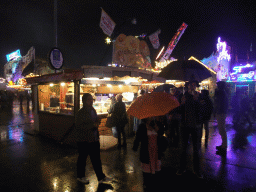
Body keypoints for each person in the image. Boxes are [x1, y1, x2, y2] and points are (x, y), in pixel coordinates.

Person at [75, 93, 112, 184]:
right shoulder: (81, 112)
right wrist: (93, 125)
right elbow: (79, 126)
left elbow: (94, 122)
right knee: (82, 159)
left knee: (96, 159)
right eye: (89, 99)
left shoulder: (93, 110)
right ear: (84, 101)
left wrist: (97, 121)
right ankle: (80, 176)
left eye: (92, 99)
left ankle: (101, 177)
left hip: (94, 138)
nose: (91, 101)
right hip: (84, 140)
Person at [174, 80, 203, 178]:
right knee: (183, 148)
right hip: (184, 125)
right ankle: (182, 168)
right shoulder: (182, 96)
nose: (192, 86)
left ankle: (197, 170)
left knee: (196, 149)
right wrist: (181, 103)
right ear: (187, 86)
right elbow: (177, 110)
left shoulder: (199, 96)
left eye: (194, 85)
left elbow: (204, 110)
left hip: (196, 126)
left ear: (196, 86)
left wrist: (197, 101)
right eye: (191, 85)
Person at [132, 118, 165, 191]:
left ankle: (154, 183)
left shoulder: (157, 124)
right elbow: (138, 138)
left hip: (156, 151)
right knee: (146, 170)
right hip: (146, 152)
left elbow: (162, 134)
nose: (151, 117)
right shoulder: (142, 126)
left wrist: (158, 130)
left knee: (156, 169)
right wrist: (135, 147)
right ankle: (146, 184)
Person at [214, 81, 229, 155]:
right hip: (221, 112)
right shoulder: (222, 93)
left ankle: (224, 146)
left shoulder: (222, 93)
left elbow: (218, 103)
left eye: (218, 85)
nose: (217, 87)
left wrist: (217, 111)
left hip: (221, 113)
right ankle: (223, 145)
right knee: (221, 129)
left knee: (222, 130)